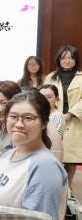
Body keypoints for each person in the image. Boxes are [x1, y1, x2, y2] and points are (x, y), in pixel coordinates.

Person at [0, 90, 68, 220]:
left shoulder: (45, 166)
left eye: (28, 118)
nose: (19, 124)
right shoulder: (7, 156)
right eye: (13, 117)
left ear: (44, 123)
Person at [44, 45, 82, 184]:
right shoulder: (50, 77)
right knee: (52, 153)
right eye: (63, 58)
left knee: (71, 157)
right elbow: (43, 95)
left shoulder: (81, 77)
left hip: (74, 120)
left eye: (71, 58)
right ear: (58, 60)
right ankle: (53, 184)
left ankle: (68, 186)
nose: (67, 61)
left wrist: (70, 114)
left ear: (76, 60)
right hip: (53, 117)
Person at [39, 84, 65, 162]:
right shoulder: (39, 114)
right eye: (42, 97)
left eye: (49, 97)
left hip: (50, 155)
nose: (45, 100)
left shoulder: (57, 116)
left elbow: (52, 141)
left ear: (56, 98)